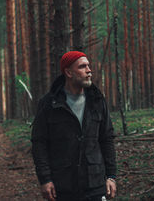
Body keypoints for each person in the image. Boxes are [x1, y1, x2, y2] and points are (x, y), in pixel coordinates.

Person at [31, 51, 117, 201]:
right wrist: (45, 179)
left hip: (95, 184)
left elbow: (107, 139)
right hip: (63, 187)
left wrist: (111, 176)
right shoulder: (49, 103)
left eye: (88, 66)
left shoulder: (97, 100)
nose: (89, 70)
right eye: (83, 67)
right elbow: (39, 143)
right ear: (69, 72)